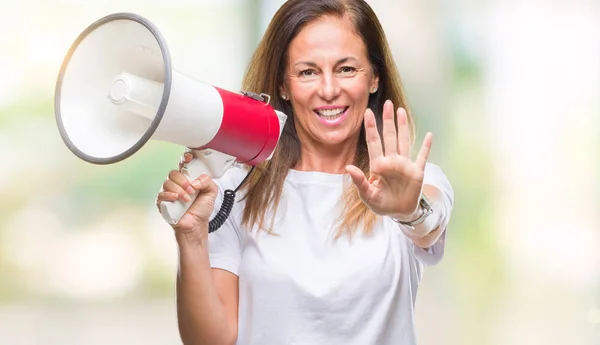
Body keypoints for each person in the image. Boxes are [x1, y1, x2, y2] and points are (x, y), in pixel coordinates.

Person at [155, 1, 454, 344]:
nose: (328, 90)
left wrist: (410, 212)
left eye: (346, 69)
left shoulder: (414, 183)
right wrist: (191, 237)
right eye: (308, 72)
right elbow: (211, 340)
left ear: (374, 78)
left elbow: (430, 225)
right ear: (284, 85)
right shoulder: (235, 190)